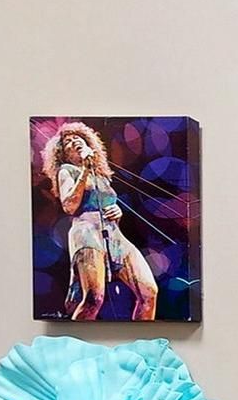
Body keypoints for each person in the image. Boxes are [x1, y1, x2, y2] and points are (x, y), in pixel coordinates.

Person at [43, 122, 157, 320]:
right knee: (94, 298)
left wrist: (117, 212)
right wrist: (85, 171)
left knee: (149, 292)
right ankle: (76, 337)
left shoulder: (102, 177)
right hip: (86, 232)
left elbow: (106, 204)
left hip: (114, 235)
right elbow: (69, 206)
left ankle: (143, 336)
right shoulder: (67, 171)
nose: (74, 141)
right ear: (63, 154)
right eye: (68, 142)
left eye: (78, 138)